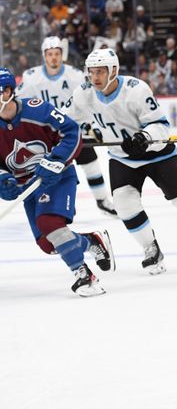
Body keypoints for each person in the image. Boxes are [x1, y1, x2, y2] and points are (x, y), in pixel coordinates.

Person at [68, 49, 177, 275]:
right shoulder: (83, 93)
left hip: (158, 155)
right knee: (125, 206)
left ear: (114, 70)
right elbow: (65, 119)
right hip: (123, 158)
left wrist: (143, 138)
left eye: (101, 72)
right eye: (92, 72)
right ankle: (151, 249)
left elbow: (161, 126)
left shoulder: (136, 90)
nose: (95, 77)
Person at [0, 67, 114, 297]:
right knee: (47, 243)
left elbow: (72, 132)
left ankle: (84, 276)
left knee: (48, 223)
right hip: (26, 186)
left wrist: (56, 161)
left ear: (9, 91)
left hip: (57, 177)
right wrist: (2, 178)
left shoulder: (37, 110)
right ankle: (90, 241)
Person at [16, 37, 116, 217]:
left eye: (57, 54)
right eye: (50, 54)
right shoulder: (31, 78)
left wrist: (92, 124)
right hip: (45, 135)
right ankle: (60, 203)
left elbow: (90, 100)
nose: (54, 58)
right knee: (52, 170)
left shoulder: (75, 76)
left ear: (62, 55)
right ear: (44, 56)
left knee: (91, 163)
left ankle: (102, 201)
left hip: (72, 131)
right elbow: (18, 103)